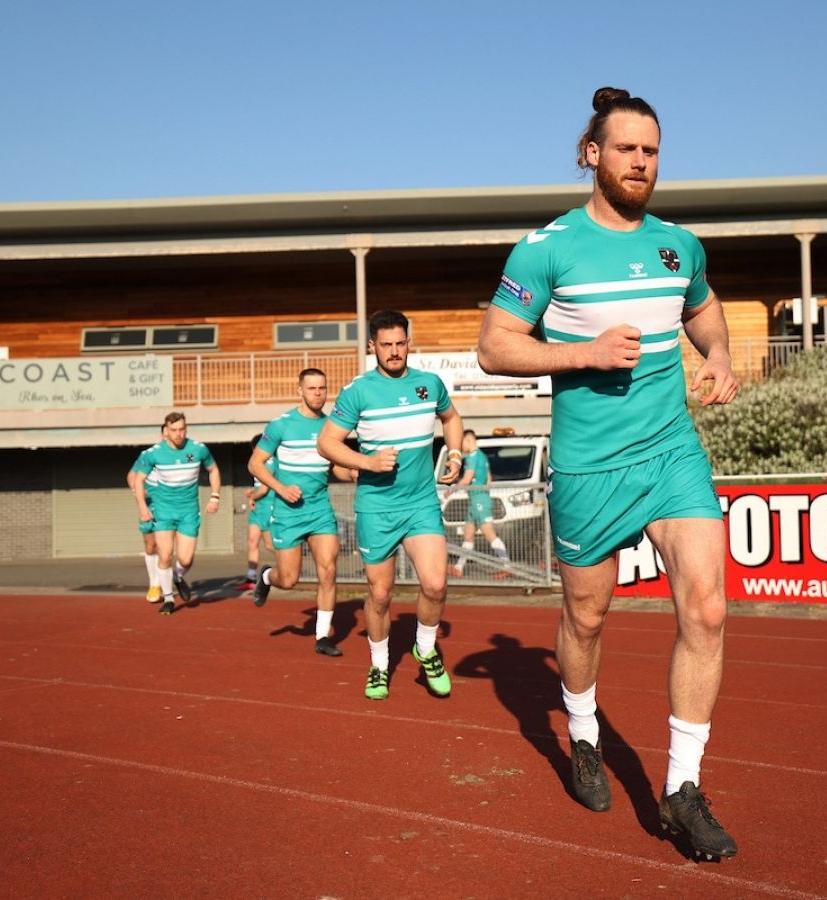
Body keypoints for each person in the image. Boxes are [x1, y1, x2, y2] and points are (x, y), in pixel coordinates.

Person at [476, 87, 740, 860]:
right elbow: (495, 345)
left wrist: (718, 356)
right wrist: (582, 353)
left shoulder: (678, 246)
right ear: (591, 153)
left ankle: (681, 790)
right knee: (586, 619)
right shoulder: (547, 248)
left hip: (672, 454)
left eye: (652, 151)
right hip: (591, 466)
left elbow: (705, 310)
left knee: (708, 608)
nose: (641, 163)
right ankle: (583, 732)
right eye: (626, 149)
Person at [318, 310, 464, 699]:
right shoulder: (357, 391)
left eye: (401, 343)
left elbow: (451, 419)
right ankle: (380, 664)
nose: (395, 351)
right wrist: (367, 462)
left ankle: (427, 650)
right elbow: (327, 443)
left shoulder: (429, 384)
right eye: (387, 345)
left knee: (435, 584)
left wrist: (455, 454)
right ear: (373, 347)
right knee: (380, 595)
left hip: (420, 504)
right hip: (376, 507)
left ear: (408, 343)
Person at [249, 369, 353, 657]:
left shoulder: (332, 427)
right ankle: (268, 577)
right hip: (288, 512)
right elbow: (255, 464)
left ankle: (322, 637)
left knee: (328, 571)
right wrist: (281, 489)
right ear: (300, 391)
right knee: (290, 579)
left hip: (320, 509)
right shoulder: (281, 425)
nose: (318, 393)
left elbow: (337, 466)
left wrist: (357, 471)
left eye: (322, 388)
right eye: (312, 388)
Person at [132, 411, 222, 615]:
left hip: (189, 512)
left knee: (186, 558)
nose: (178, 434)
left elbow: (214, 470)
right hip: (163, 512)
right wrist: (143, 508)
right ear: (166, 431)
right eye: (173, 430)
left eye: (182, 429)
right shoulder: (153, 453)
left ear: (186, 429)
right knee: (164, 555)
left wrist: (215, 496)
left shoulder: (198, 449)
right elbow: (137, 479)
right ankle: (169, 598)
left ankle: (176, 576)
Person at [447, 429, 511, 577]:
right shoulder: (482, 456)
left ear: (468, 441)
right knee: (468, 535)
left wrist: (451, 490)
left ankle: (507, 565)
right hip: (477, 499)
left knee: (490, 534)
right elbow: (489, 479)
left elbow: (467, 479)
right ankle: (459, 567)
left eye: (461, 443)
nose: (460, 447)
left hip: (479, 501)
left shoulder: (472, 457)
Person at [127, 429, 163, 603]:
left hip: (168, 506)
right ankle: (154, 583)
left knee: (165, 546)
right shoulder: (148, 455)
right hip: (149, 506)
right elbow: (132, 475)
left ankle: (168, 579)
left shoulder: (183, 455)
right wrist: (138, 494)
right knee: (150, 544)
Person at [242, 433, 276, 589]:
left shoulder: (270, 463)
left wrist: (253, 497)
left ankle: (289, 566)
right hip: (258, 510)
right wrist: (252, 492)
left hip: (269, 508)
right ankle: (251, 577)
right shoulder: (258, 464)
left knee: (270, 546)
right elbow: (258, 487)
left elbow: (264, 489)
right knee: (252, 541)